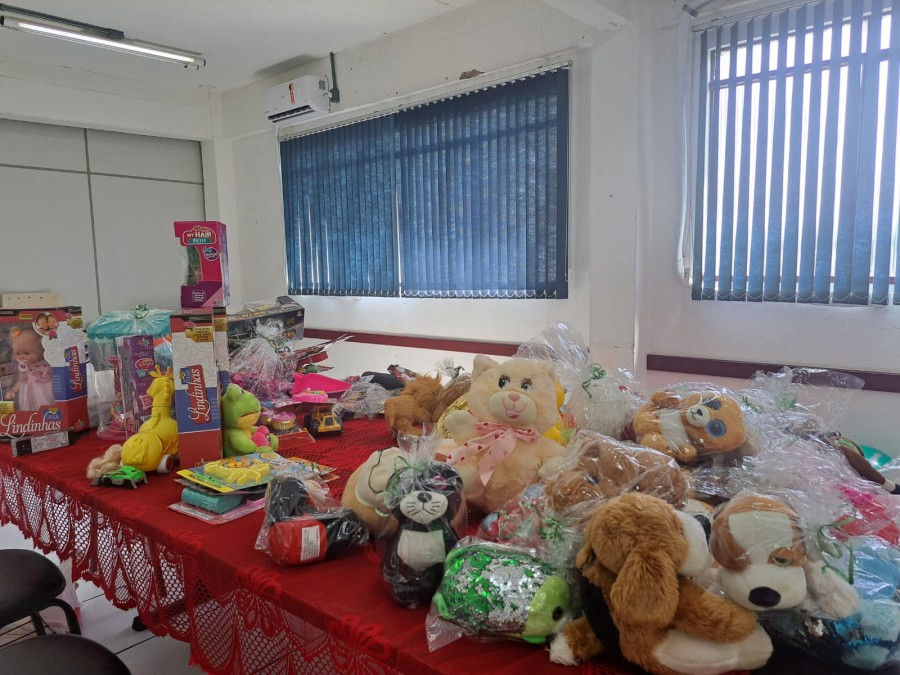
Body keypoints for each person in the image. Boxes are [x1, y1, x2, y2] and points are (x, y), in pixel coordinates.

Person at [4, 328, 54, 409]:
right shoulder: (24, 367)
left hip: (45, 393)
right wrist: (13, 390)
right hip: (28, 396)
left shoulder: (48, 364)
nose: (21, 357)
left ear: (42, 349)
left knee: (47, 409)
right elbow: (21, 381)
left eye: (27, 353)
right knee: (29, 410)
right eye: (18, 353)